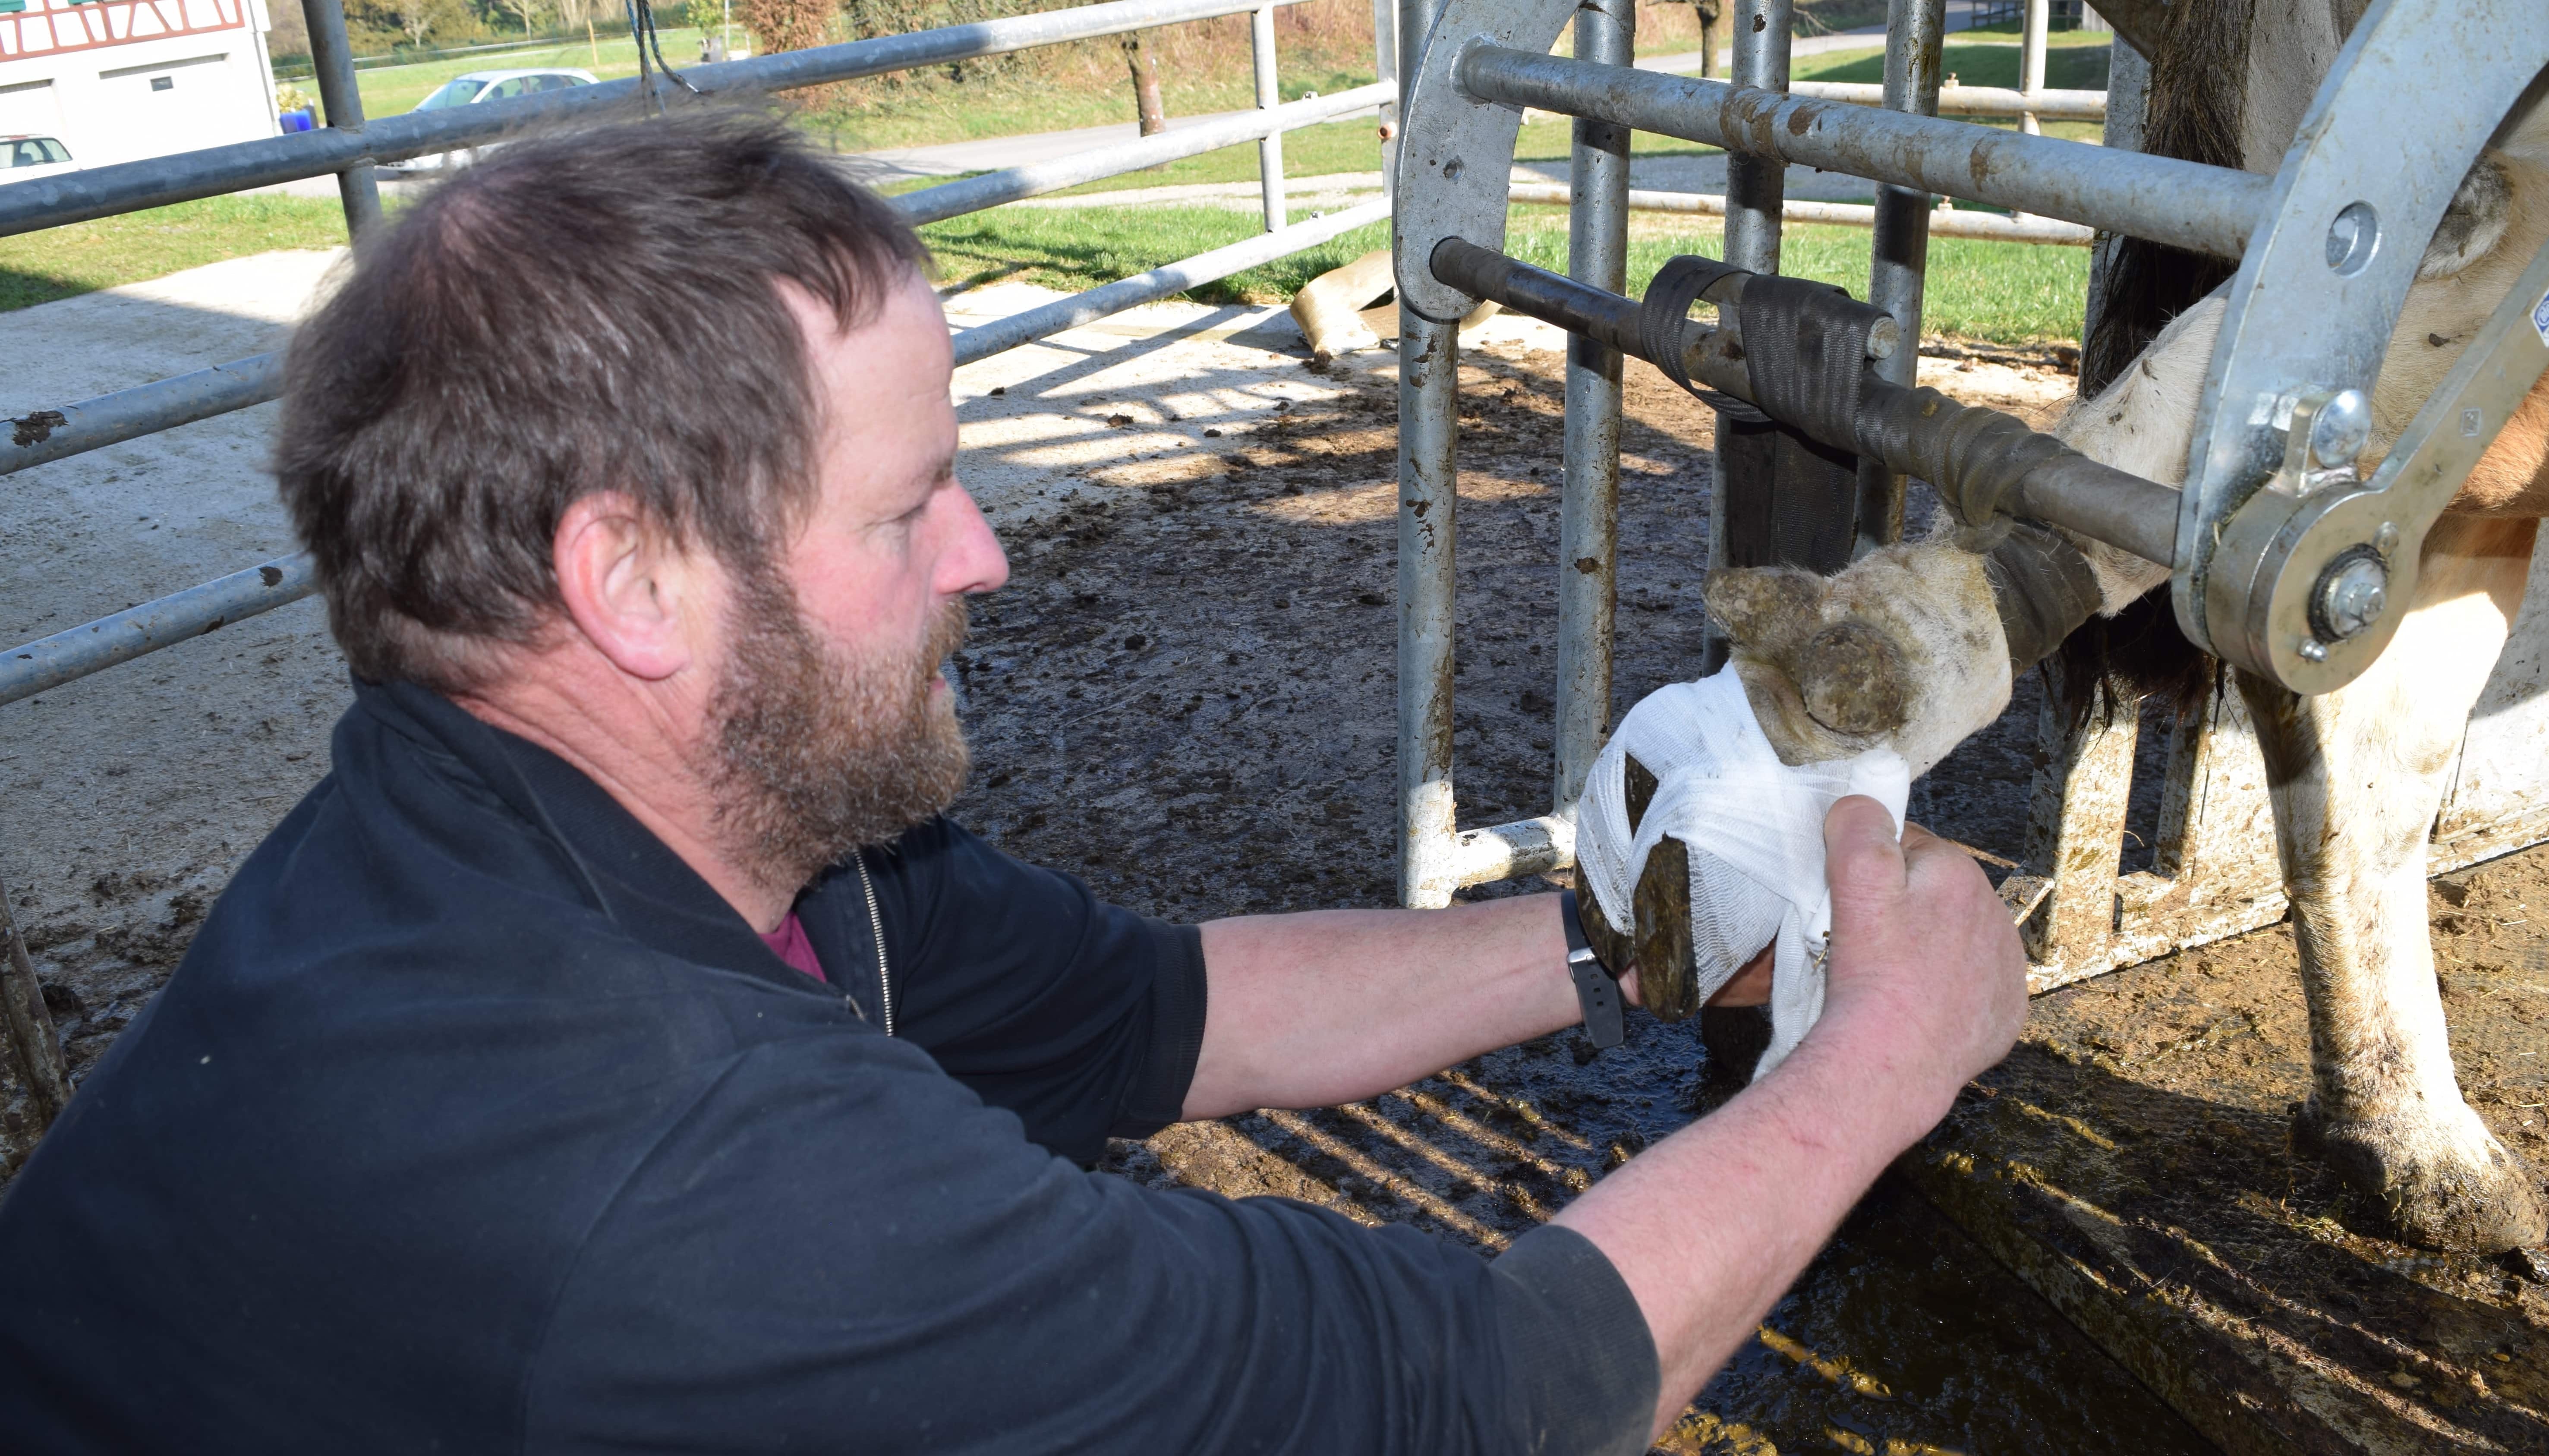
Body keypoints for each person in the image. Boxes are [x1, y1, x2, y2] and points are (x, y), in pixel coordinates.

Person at [0, 112, 2026, 1453]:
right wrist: (1873, 1067)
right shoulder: (687, 1170)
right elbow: (1463, 1398)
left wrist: (1620, 917)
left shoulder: (634, 836)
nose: (982, 551)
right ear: (628, 579)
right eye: (908, 508)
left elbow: (1164, 1009)